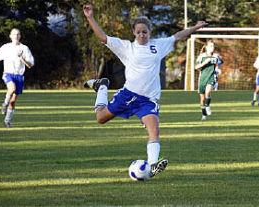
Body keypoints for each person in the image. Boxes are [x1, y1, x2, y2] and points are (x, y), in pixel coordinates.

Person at [82, 4, 207, 177]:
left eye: (145, 32)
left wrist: (194, 27)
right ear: (134, 32)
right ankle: (102, 86)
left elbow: (177, 36)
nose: (142, 34)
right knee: (100, 118)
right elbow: (103, 37)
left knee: (154, 130)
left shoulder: (158, 46)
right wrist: (90, 17)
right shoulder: (127, 47)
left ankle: (153, 164)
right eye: (139, 31)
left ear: (150, 32)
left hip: (147, 101)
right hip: (128, 96)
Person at [0, 28, 34, 128]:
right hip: (8, 73)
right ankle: (4, 104)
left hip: (19, 76)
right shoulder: (6, 47)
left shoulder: (24, 48)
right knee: (12, 89)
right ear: (10, 36)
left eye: (18, 34)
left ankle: (7, 121)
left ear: (20, 36)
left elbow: (30, 65)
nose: (16, 36)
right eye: (14, 34)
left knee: (13, 101)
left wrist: (22, 59)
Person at [195, 40, 223, 121]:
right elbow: (196, 67)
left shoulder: (216, 56)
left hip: (212, 77)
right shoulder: (202, 56)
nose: (212, 48)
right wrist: (205, 63)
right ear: (206, 47)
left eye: (213, 46)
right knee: (202, 99)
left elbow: (220, 63)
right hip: (202, 78)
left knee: (208, 92)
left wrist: (218, 69)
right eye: (210, 46)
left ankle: (207, 106)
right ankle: (204, 114)